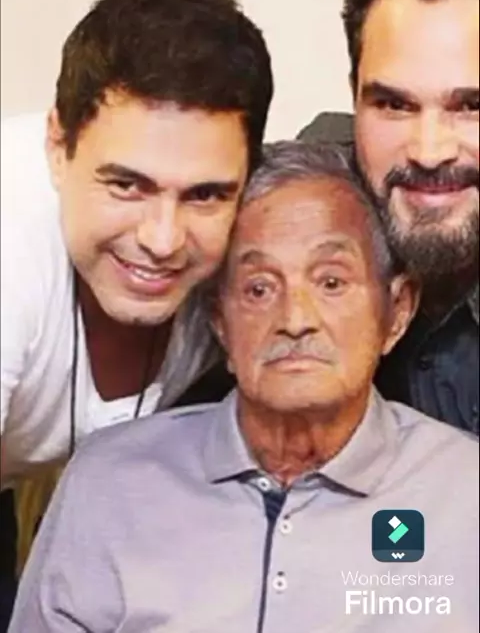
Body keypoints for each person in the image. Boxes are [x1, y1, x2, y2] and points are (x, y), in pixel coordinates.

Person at [8, 141, 478, 633]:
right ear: (220, 322)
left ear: (396, 310)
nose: (295, 320)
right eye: (259, 288)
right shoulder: (109, 482)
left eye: (331, 283)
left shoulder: (465, 493)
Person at [0, 0, 273, 628]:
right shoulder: (10, 250)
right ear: (57, 146)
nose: (162, 240)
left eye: (205, 194)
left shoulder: (256, 243)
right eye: (127, 185)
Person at [298, 0, 479, 434]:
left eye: (471, 106)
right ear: (353, 94)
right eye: (394, 105)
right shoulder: (293, 201)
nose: (429, 151)